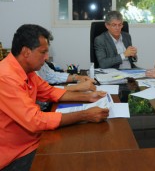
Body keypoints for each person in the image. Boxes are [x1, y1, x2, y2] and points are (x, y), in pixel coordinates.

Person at [0, 24, 109, 170]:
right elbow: (35, 121)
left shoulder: (28, 71)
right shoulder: (6, 77)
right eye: (43, 52)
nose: (46, 58)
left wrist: (88, 97)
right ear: (26, 52)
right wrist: (85, 115)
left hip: (34, 141)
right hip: (16, 155)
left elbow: (50, 92)